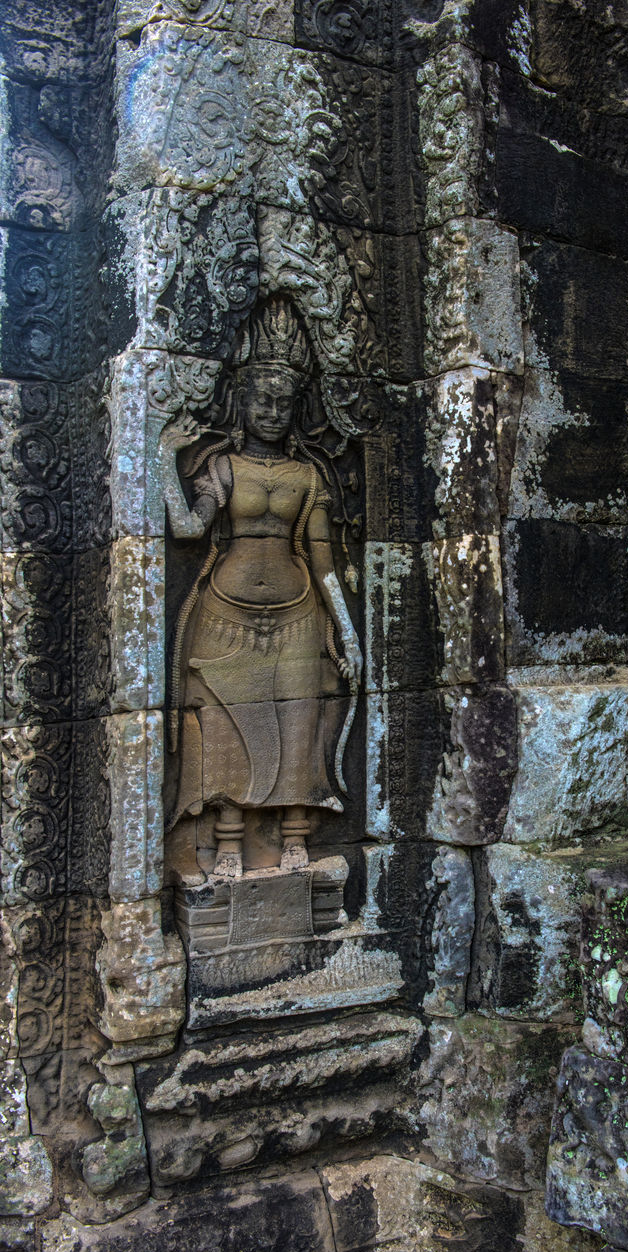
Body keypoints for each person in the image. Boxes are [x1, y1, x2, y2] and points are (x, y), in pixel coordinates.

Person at [161, 297, 362, 878]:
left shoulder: (308, 475)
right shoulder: (224, 467)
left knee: (301, 721)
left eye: (284, 402)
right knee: (224, 725)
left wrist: (347, 635)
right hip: (226, 614)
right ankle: (226, 844)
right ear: (243, 403)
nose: (274, 412)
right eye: (263, 400)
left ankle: (295, 837)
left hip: (298, 615)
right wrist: (162, 458)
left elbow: (323, 557)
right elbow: (189, 527)